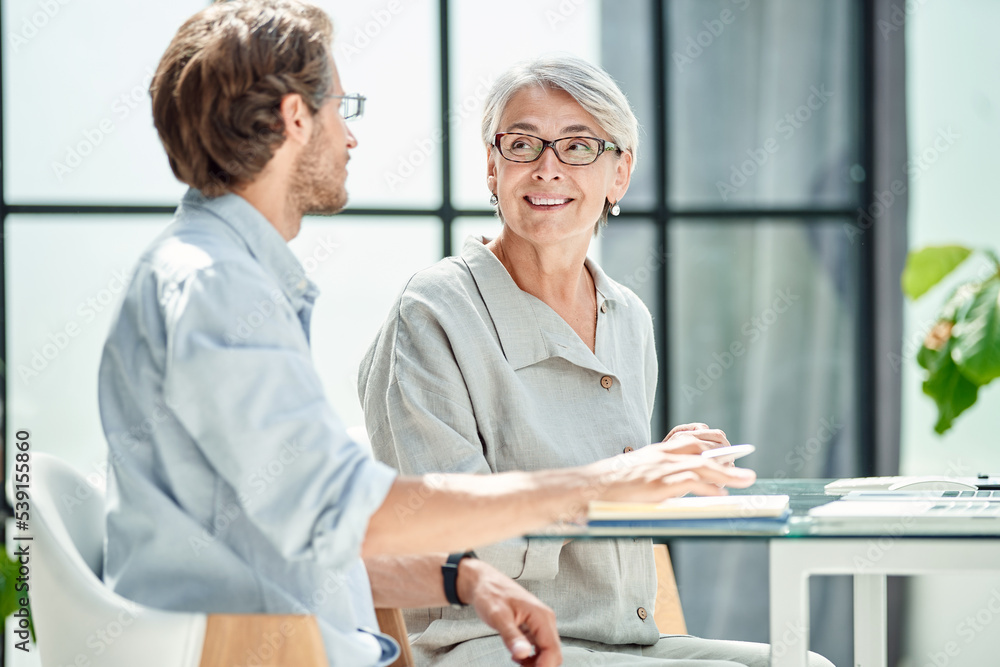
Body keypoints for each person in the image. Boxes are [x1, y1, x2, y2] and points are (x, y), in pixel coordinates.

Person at [97, 3, 758, 667]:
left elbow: (300, 534)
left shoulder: (226, 277)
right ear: (298, 119)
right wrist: (605, 479)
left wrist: (458, 578)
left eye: (579, 146)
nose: (350, 139)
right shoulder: (217, 288)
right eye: (340, 108)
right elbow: (352, 513)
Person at [359, 56, 834, 667]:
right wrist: (617, 482)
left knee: (806, 664)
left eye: (579, 146)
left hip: (629, 638)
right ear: (492, 167)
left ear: (620, 174)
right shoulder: (430, 314)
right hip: (490, 644)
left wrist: (656, 463)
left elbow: (609, 488)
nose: (548, 167)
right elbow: (437, 532)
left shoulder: (627, 316)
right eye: (523, 143)